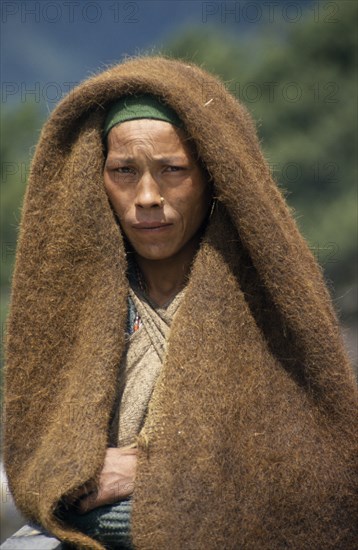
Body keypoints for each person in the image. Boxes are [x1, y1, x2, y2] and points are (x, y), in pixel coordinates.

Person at [4, 56, 357, 550]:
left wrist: (149, 469)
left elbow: (320, 474)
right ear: (97, 178)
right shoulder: (76, 314)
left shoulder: (268, 308)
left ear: (212, 177)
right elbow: (41, 468)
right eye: (124, 171)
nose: (147, 196)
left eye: (173, 170)